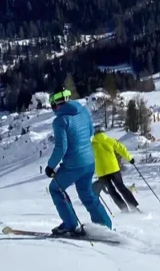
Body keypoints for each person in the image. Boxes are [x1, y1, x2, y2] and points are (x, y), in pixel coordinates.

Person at [45, 89, 113, 236]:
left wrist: (50, 166)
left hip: (73, 165)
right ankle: (104, 225)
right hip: (89, 162)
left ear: (54, 104)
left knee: (55, 189)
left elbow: (60, 148)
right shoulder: (83, 111)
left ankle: (69, 224)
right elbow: (89, 133)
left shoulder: (60, 121)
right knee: (86, 192)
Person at [91, 125, 139, 212]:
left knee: (112, 191)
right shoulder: (110, 141)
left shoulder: (92, 145)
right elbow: (122, 149)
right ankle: (134, 207)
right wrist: (130, 159)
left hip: (101, 172)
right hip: (113, 169)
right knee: (121, 187)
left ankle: (124, 209)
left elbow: (86, 157)